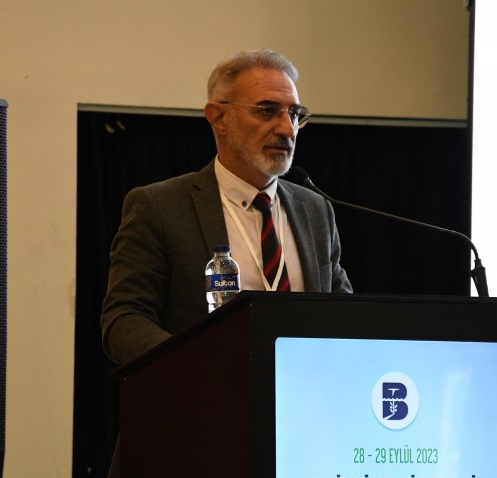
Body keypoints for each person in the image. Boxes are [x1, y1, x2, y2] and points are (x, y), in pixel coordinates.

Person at [101, 49, 352, 367]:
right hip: (204, 391)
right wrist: (197, 369)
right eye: (267, 110)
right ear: (219, 118)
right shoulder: (160, 207)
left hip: (305, 390)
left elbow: (345, 314)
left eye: (294, 113)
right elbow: (124, 319)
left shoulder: (315, 209)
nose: (288, 129)